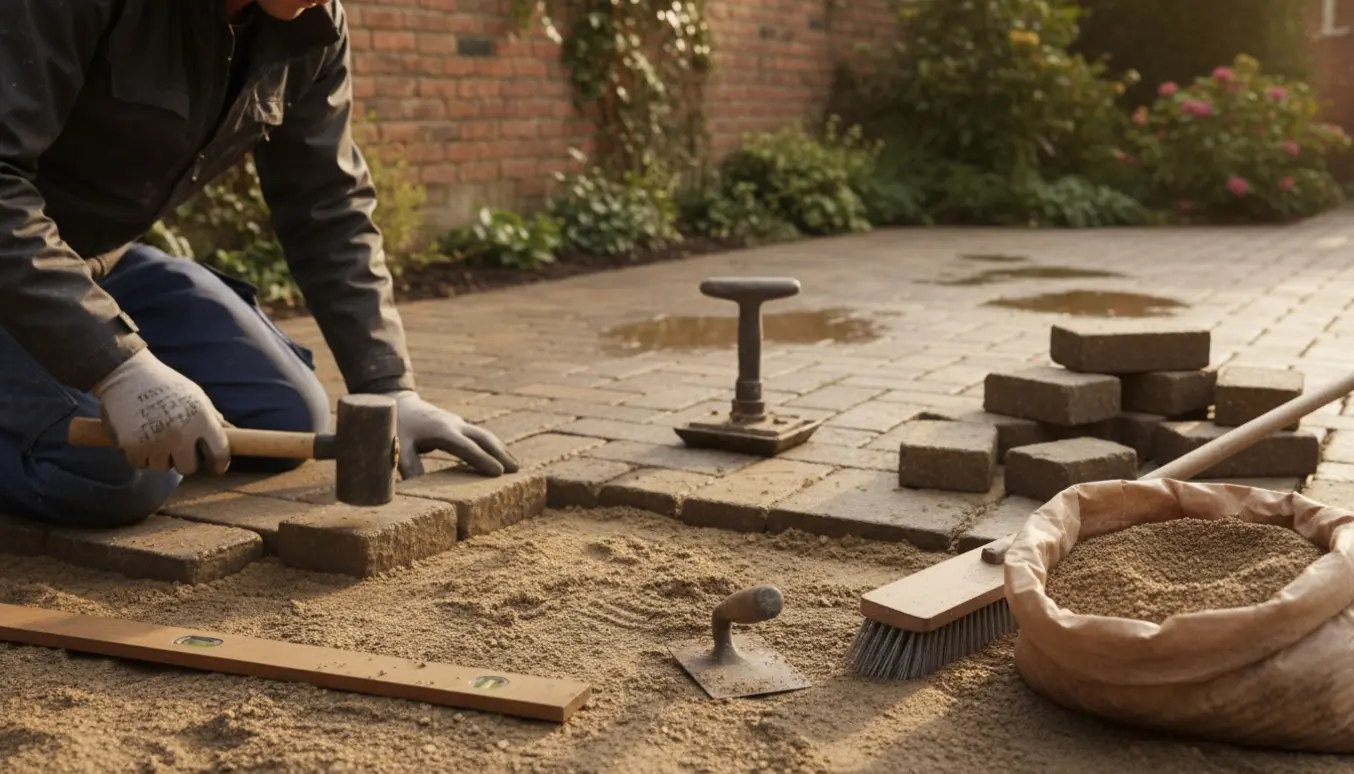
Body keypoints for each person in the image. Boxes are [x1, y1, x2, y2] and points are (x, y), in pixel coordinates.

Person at [0, 0, 518, 528]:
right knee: (119, 473)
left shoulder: (313, 29)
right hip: (15, 258)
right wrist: (116, 364)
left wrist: (388, 385)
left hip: (95, 262)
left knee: (286, 415)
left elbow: (327, 206)